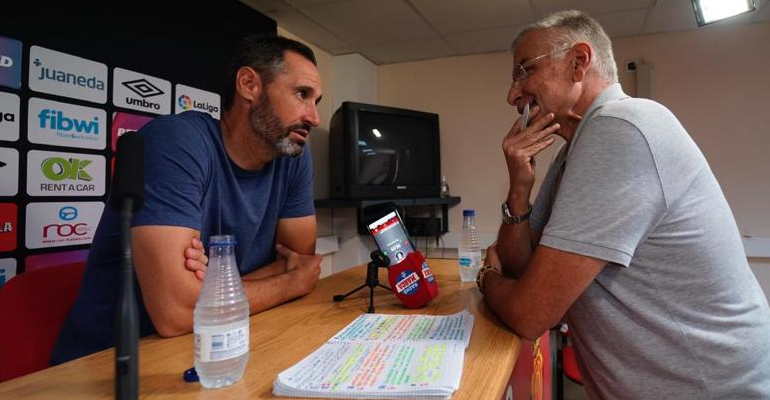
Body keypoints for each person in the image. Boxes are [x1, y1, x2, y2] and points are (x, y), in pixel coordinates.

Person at [476, 10, 770, 399]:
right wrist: (519, 188)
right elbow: (523, 267)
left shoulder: (620, 128)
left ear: (579, 62)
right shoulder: (573, 153)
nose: (513, 94)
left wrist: (486, 280)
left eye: (523, 71)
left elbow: (531, 313)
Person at [51, 34, 324, 364]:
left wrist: (211, 287)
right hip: (116, 363)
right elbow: (176, 312)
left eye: (315, 101)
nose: (314, 117)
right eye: (301, 94)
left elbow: (301, 261)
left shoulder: (293, 156)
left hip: (218, 342)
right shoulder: (176, 142)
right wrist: (288, 283)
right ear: (249, 84)